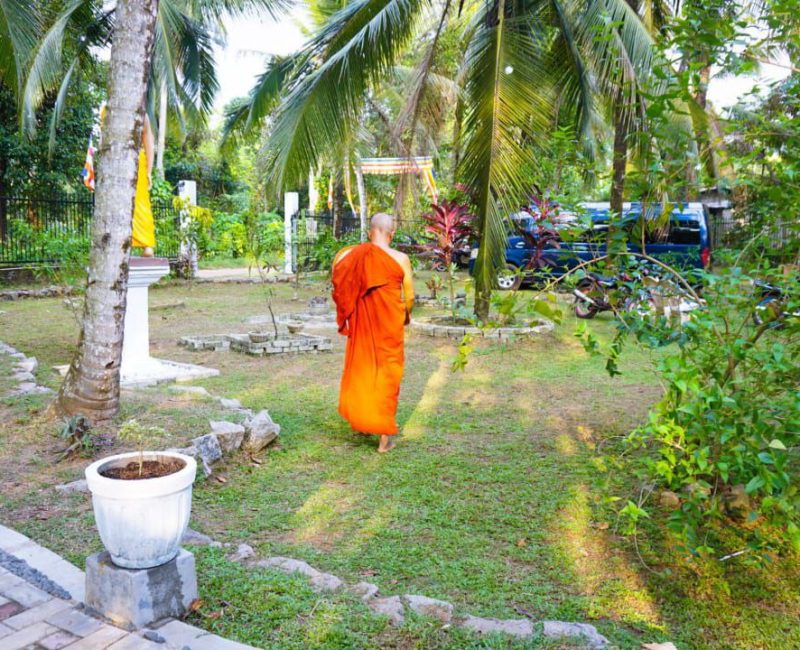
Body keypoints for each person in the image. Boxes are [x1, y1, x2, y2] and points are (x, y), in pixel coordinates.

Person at [331, 213, 415, 453]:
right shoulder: (401, 258)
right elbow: (409, 296)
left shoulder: (353, 255)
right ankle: (384, 439)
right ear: (392, 233)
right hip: (389, 326)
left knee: (363, 371)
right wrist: (406, 315)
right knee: (388, 376)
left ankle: (363, 423)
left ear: (370, 232)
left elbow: (340, 284)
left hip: (364, 326)